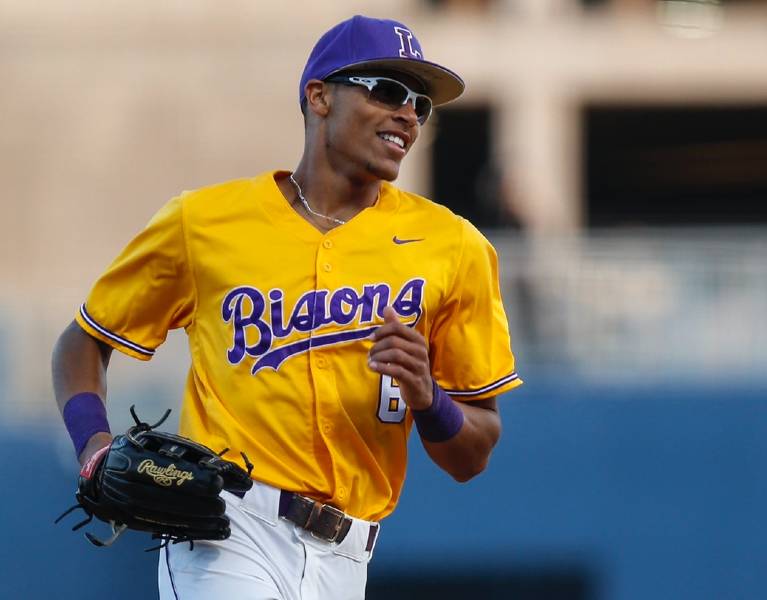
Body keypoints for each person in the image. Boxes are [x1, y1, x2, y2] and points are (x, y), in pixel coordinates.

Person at [51, 14, 522, 600]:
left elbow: (471, 454)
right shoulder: (205, 223)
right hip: (228, 532)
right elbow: (84, 339)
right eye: (387, 90)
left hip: (349, 558)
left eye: (420, 103)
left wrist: (429, 397)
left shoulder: (455, 246)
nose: (408, 113)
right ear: (319, 96)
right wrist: (93, 445)